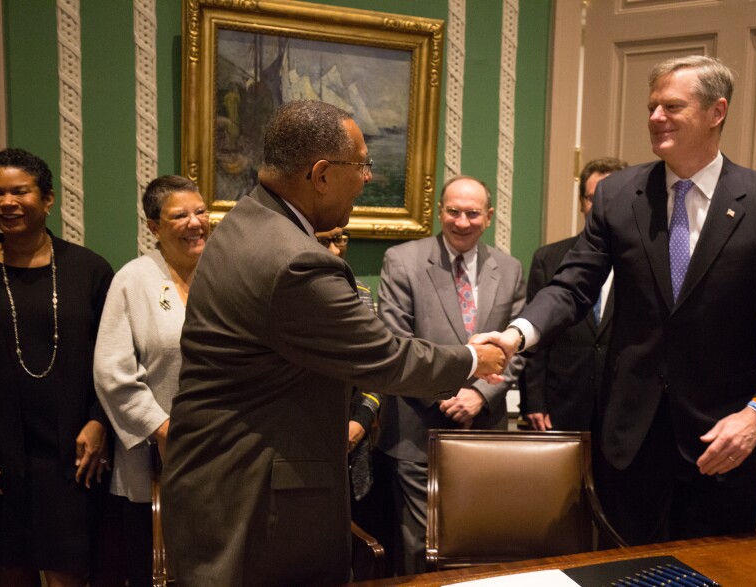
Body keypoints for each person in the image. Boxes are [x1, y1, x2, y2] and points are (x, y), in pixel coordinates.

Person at [475, 55, 756, 546]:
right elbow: (573, 284)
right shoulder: (618, 195)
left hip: (724, 440)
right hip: (628, 439)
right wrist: (518, 335)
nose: (655, 118)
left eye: (671, 106)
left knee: (714, 573)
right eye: (651, 107)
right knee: (623, 568)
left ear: (717, 112)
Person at [160, 100, 506, 586]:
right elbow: (383, 356)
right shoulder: (294, 262)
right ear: (321, 174)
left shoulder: (247, 221)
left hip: (224, 482)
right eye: (362, 164)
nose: (368, 177)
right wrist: (475, 357)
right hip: (256, 499)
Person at [376, 175, 527, 575]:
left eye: (473, 213)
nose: (462, 222)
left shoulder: (509, 269)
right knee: (421, 548)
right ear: (439, 211)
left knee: (481, 542)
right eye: (453, 211)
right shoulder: (402, 261)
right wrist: (445, 391)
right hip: (417, 432)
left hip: (484, 431)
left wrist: (479, 395)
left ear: (489, 216)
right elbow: (397, 342)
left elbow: (519, 350)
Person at [0, 148, 114, 586]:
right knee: (6, 572)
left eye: (20, 191)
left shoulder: (89, 270)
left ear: (48, 199)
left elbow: (112, 358)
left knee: (70, 575)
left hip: (73, 454)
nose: (7, 202)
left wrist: (99, 422)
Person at [93, 175, 210, 587]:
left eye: (200, 211)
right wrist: (162, 427)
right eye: (180, 215)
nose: (195, 222)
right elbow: (112, 369)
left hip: (223, 456)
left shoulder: (225, 272)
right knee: (158, 572)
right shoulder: (134, 279)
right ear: (154, 227)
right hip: (154, 460)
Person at [520, 157, 626, 431]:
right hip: (562, 403)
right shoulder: (549, 258)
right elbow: (538, 338)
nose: (603, 207)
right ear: (582, 203)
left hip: (624, 405)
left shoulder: (645, 260)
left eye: (613, 197)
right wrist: (534, 400)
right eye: (594, 198)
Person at [313, 226, 384, 522]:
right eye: (323, 241)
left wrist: (361, 422)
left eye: (339, 239)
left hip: (354, 445)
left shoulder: (362, 296)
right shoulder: (281, 296)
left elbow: (377, 368)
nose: (335, 250)